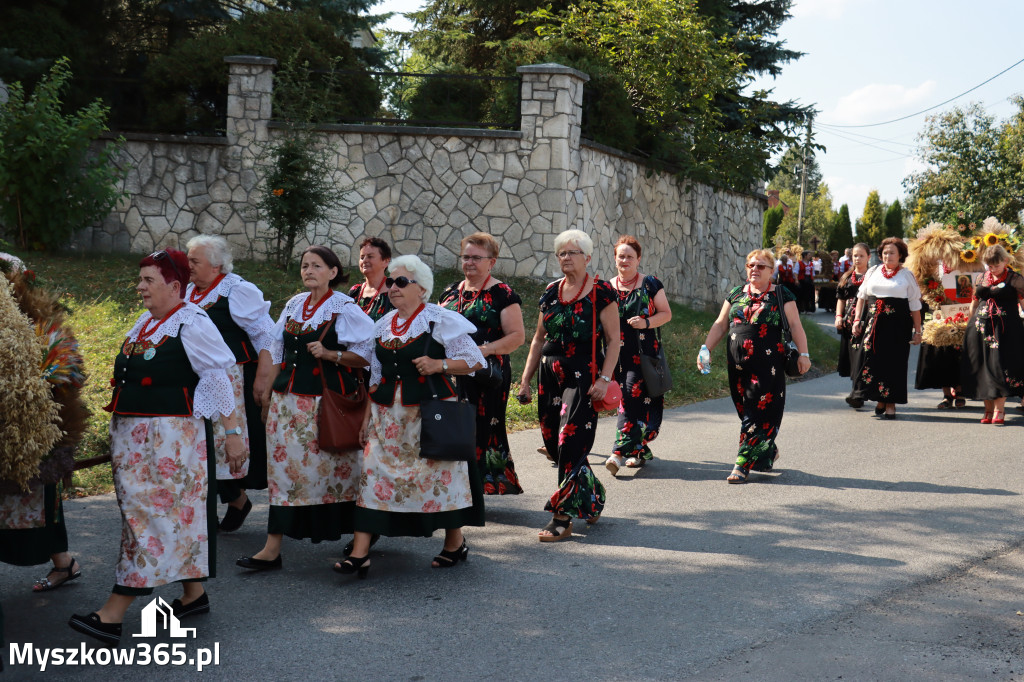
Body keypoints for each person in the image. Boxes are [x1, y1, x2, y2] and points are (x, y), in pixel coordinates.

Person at [69, 249, 245, 647]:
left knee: (148, 519)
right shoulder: (146, 323)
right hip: (135, 441)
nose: (140, 287)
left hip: (170, 443)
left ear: (175, 286)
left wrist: (232, 433)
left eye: (149, 280)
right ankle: (193, 595)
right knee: (163, 517)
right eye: (141, 279)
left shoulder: (192, 322)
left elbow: (218, 377)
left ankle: (113, 613)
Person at [338, 255, 485, 578]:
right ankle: (360, 552)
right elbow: (374, 378)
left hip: (429, 414)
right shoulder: (381, 324)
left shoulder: (439, 319)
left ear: (422, 288)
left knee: (438, 480)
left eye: (401, 282)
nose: (393, 287)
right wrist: (365, 418)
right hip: (385, 416)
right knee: (372, 477)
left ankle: (454, 542)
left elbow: (475, 361)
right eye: (390, 281)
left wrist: (439, 365)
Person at [237, 246, 374, 572]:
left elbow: (368, 354)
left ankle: (359, 547)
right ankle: (272, 549)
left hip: (323, 408)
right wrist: (268, 394)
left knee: (337, 475)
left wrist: (332, 355)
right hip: (287, 406)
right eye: (304, 265)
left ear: (333, 272)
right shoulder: (295, 304)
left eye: (316, 265)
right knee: (283, 475)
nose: (308, 270)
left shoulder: (344, 308)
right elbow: (275, 349)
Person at [517, 229, 618, 541]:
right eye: (561, 253)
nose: (565, 258)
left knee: (569, 443)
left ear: (587, 258)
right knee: (552, 443)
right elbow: (538, 338)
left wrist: (604, 378)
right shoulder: (550, 292)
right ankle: (592, 496)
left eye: (572, 252)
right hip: (549, 374)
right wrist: (525, 380)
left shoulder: (601, 292)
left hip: (583, 377)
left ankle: (561, 518)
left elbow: (615, 340)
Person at [0, 266, 87, 594]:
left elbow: (68, 372)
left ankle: (64, 564)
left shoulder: (42, 326)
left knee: (37, 503)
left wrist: (34, 392)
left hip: (35, 439)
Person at [185, 235, 276, 532]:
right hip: (194, 380)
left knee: (225, 440)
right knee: (198, 442)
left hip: (230, 379)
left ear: (216, 266)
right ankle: (225, 503)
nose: (188, 266)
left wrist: (263, 379)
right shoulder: (188, 292)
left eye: (194, 261)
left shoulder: (236, 290)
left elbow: (266, 335)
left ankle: (231, 500)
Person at [698, 249, 811, 483]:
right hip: (737, 366)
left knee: (757, 413)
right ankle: (767, 449)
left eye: (760, 266)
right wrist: (705, 349)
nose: (754, 270)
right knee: (745, 410)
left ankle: (741, 465)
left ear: (771, 270)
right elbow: (720, 325)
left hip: (768, 367)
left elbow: (796, 325)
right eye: (751, 265)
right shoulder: (737, 293)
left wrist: (804, 354)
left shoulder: (781, 294)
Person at [438, 232, 526, 495]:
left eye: (477, 258)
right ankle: (458, 485)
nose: (470, 263)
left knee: (484, 428)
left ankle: (480, 485)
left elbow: (517, 337)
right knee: (454, 426)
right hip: (452, 371)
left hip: (488, 373)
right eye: (466, 257)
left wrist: (484, 350)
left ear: (492, 262)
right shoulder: (450, 291)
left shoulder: (503, 293)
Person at [605, 235, 672, 474]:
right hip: (615, 357)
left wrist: (646, 322)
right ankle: (639, 449)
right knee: (632, 403)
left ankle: (618, 453)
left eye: (629, 256)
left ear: (638, 259)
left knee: (631, 398)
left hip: (644, 357)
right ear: (615, 259)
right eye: (621, 256)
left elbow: (666, 313)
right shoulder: (607, 288)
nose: (625, 260)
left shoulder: (650, 283)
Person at [851, 237, 923, 420]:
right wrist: (857, 320)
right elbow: (862, 297)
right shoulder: (873, 271)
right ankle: (877, 398)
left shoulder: (906, 275)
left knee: (894, 364)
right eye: (884, 252)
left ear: (900, 255)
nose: (887, 256)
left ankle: (890, 403)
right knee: (870, 360)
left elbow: (915, 305)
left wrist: (918, 331)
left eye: (892, 252)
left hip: (897, 327)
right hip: (874, 324)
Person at [959, 244, 1024, 424]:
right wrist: (968, 324)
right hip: (979, 328)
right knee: (982, 367)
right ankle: (988, 410)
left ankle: (999, 409)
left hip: (1006, 330)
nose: (993, 269)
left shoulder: (1015, 279)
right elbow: (974, 302)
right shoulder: (981, 278)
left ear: (1005, 261)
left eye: (996, 265)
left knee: (999, 367)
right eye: (990, 265)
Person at [836, 243, 870, 407]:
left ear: (868, 257)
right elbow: (841, 299)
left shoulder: (872, 276)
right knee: (852, 355)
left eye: (861, 255)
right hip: (849, 322)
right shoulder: (847, 277)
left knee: (862, 355)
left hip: (867, 320)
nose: (858, 259)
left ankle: (858, 393)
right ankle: (856, 390)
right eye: (855, 255)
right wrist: (838, 316)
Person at [349, 237, 395, 322]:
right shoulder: (354, 291)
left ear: (385, 261)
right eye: (362, 257)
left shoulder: (394, 291)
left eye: (370, 256)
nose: (365, 260)